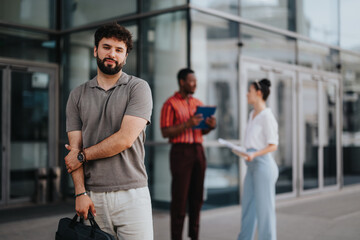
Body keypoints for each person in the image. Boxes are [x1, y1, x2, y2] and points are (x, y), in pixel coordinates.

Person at [64, 23, 153, 240]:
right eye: (106, 47)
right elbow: (73, 150)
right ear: (95, 50)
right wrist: (80, 192)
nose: (111, 53)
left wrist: (83, 155)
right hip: (93, 197)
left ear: (125, 57)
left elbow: (124, 139)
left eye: (119, 49)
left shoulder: (138, 88)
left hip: (132, 194)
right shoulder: (77, 95)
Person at [160, 68, 217, 240]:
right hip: (180, 152)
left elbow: (202, 131)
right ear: (182, 82)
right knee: (179, 199)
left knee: (197, 198)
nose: (195, 84)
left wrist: (210, 126)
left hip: (198, 151)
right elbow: (165, 131)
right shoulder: (169, 104)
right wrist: (187, 123)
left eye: (196, 81)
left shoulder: (197, 103)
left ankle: (194, 236)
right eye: (191, 81)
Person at [232, 78, 279, 240]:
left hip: (263, 166)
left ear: (258, 94)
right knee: (247, 209)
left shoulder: (267, 116)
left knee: (265, 211)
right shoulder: (252, 114)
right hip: (251, 165)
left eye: (249, 91)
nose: (246, 94)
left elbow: (273, 145)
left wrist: (254, 154)